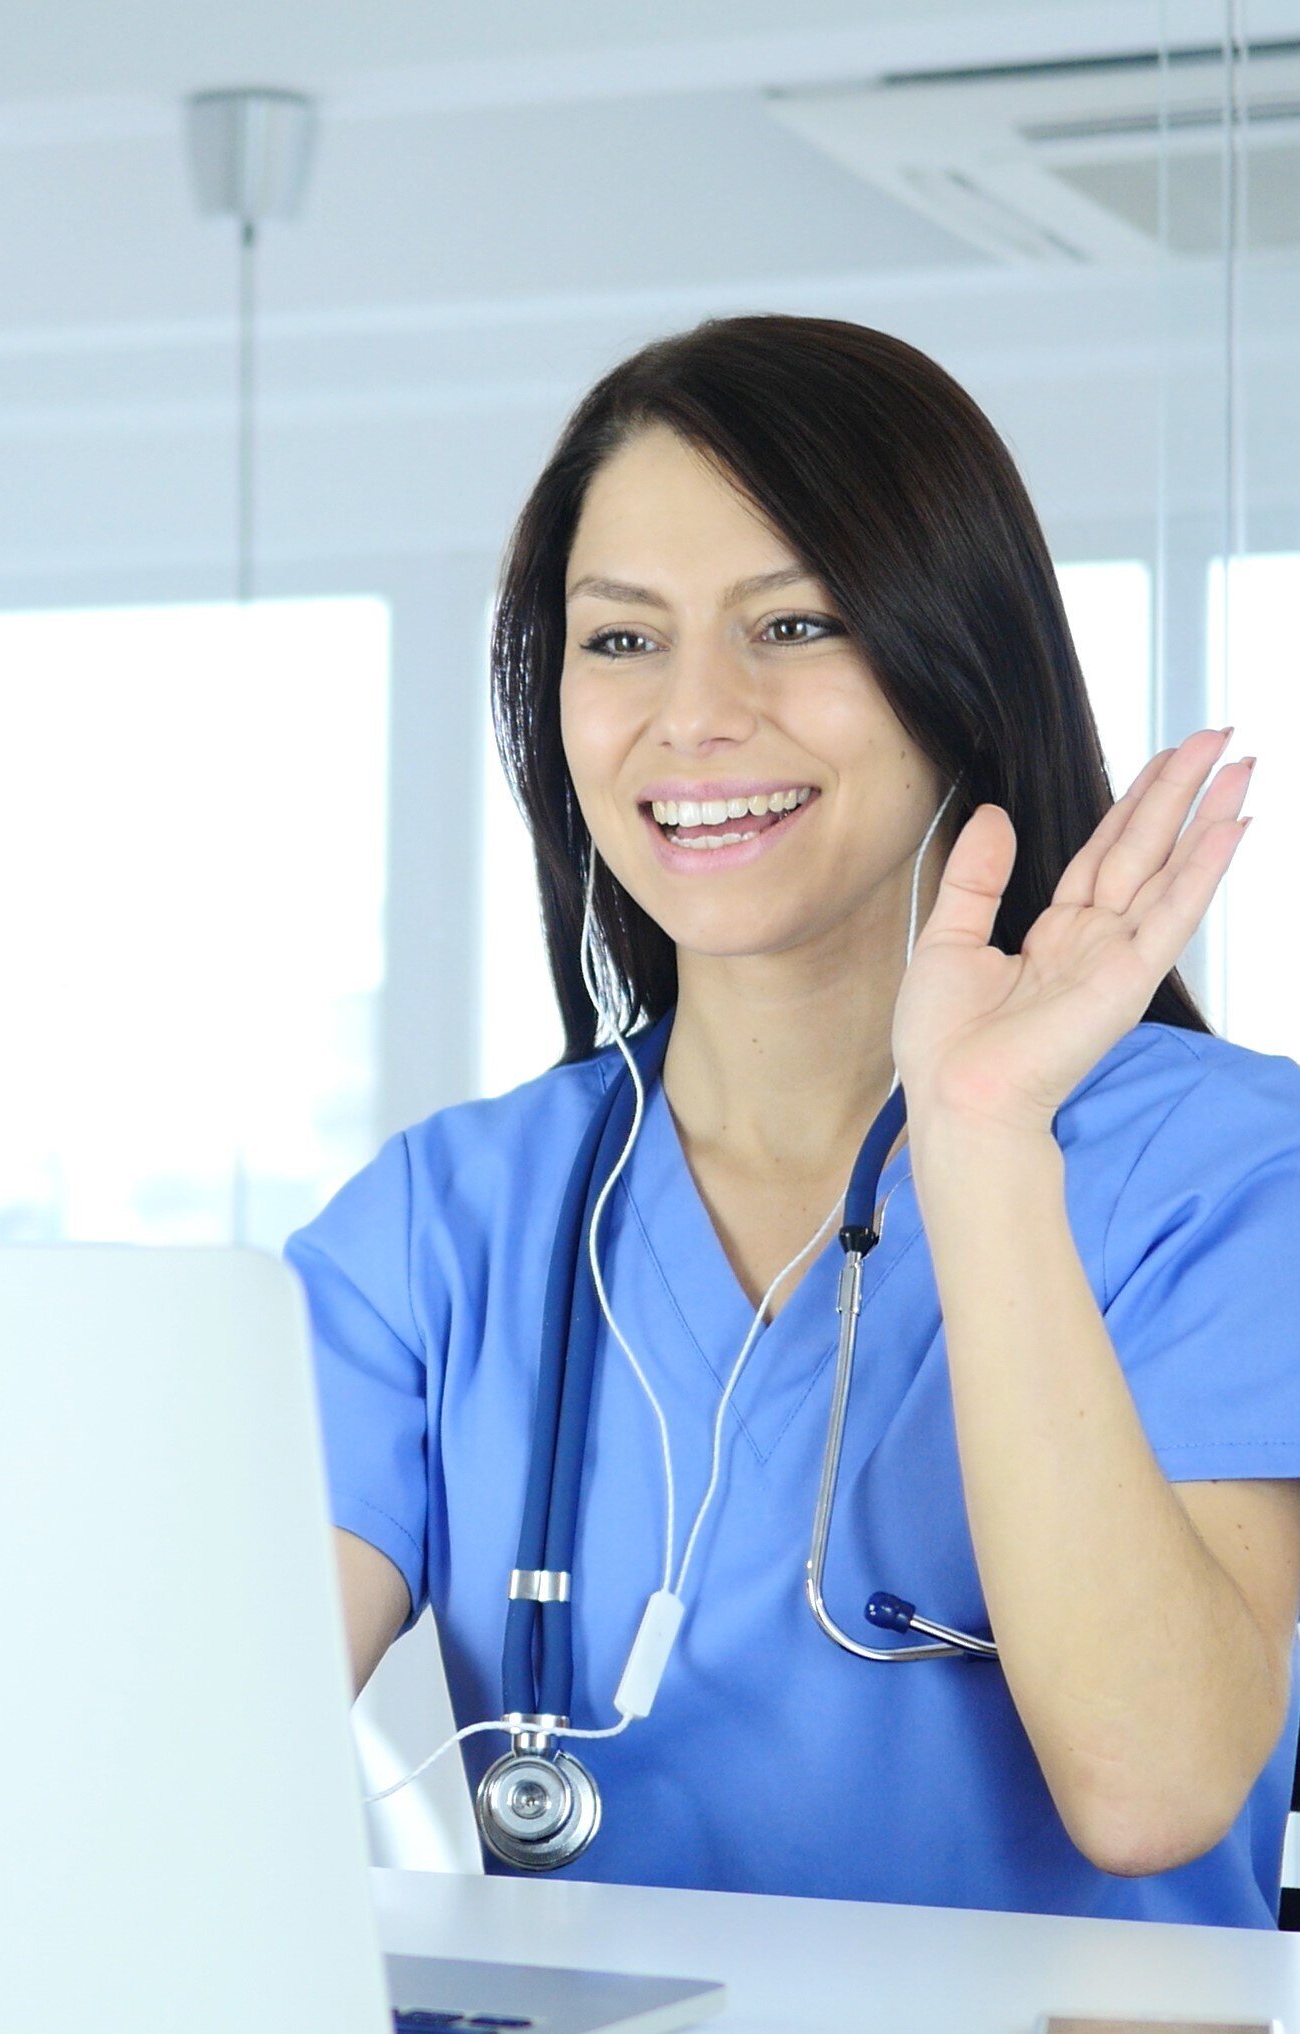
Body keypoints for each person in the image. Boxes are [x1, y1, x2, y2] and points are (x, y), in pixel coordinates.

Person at [283, 313, 1300, 1926]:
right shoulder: (449, 1220)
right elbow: (181, 1733)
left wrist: (975, 1138)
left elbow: (1155, 1787)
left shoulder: (1223, 1173)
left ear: (952, 662)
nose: (692, 712)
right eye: (620, 640)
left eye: (795, 623)